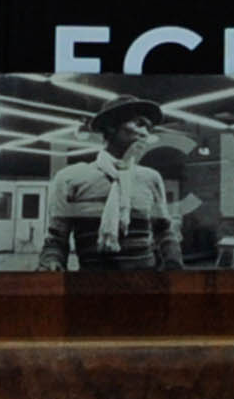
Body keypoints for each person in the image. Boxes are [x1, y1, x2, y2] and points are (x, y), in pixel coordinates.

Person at [37, 95, 181, 273]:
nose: (146, 133)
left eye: (149, 128)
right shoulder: (70, 178)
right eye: (139, 124)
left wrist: (174, 265)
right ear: (111, 126)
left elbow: (164, 231)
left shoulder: (150, 178)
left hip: (145, 283)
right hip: (93, 284)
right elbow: (56, 240)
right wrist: (51, 263)